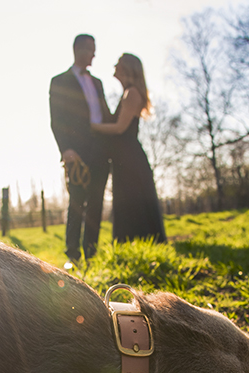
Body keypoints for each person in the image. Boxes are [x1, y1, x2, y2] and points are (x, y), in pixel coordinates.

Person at [49, 34, 112, 266]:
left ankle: (91, 254)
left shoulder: (97, 83)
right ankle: (72, 255)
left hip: (100, 148)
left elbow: (104, 115)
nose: (93, 55)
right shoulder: (59, 81)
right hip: (77, 150)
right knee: (77, 201)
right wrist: (66, 149)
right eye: (89, 50)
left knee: (97, 202)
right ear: (77, 49)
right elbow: (57, 119)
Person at [91, 53, 167, 245]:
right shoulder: (128, 92)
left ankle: (139, 242)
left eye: (118, 63)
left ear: (126, 68)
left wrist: (91, 126)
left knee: (133, 199)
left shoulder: (132, 93)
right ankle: (131, 242)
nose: (114, 66)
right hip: (125, 158)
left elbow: (119, 128)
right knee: (128, 199)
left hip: (130, 159)